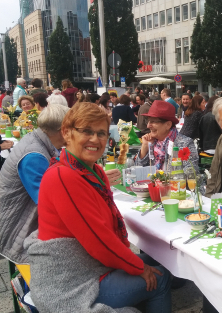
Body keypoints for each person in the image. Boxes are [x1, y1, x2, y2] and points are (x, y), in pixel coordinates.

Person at [24, 102, 171, 312]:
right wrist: (140, 268)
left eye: (101, 133)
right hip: (73, 284)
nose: (95, 139)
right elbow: (100, 241)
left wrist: (139, 265)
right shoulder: (62, 176)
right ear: (66, 133)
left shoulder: (93, 172)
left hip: (90, 266)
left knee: (161, 260)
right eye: (86, 131)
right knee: (160, 278)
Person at [0, 103, 69, 264]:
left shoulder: (38, 140)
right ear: (63, 130)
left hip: (21, 221)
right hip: (17, 231)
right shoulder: (34, 155)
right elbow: (50, 204)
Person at [135, 101, 198, 171]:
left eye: (153, 121)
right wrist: (145, 146)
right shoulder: (151, 142)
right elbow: (137, 171)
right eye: (148, 121)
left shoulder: (185, 144)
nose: (148, 126)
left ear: (168, 125)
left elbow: (192, 174)